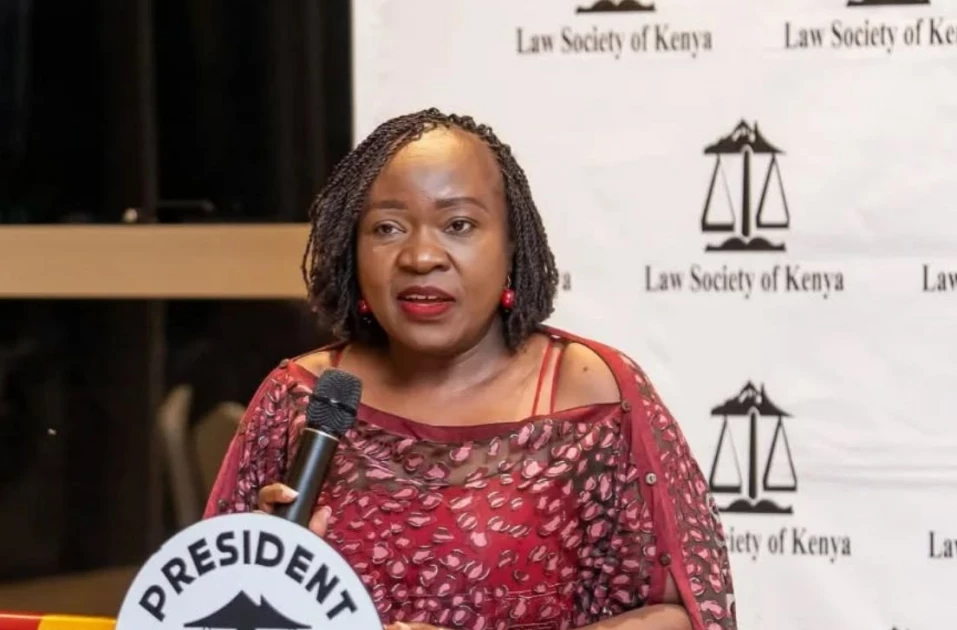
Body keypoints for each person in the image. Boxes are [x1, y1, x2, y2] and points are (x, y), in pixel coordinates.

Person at [203, 108, 736, 630]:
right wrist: (261, 573)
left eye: (458, 225)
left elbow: (689, 615)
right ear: (353, 248)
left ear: (510, 245)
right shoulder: (302, 396)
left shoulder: (592, 395)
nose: (420, 257)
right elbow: (201, 613)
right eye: (387, 228)